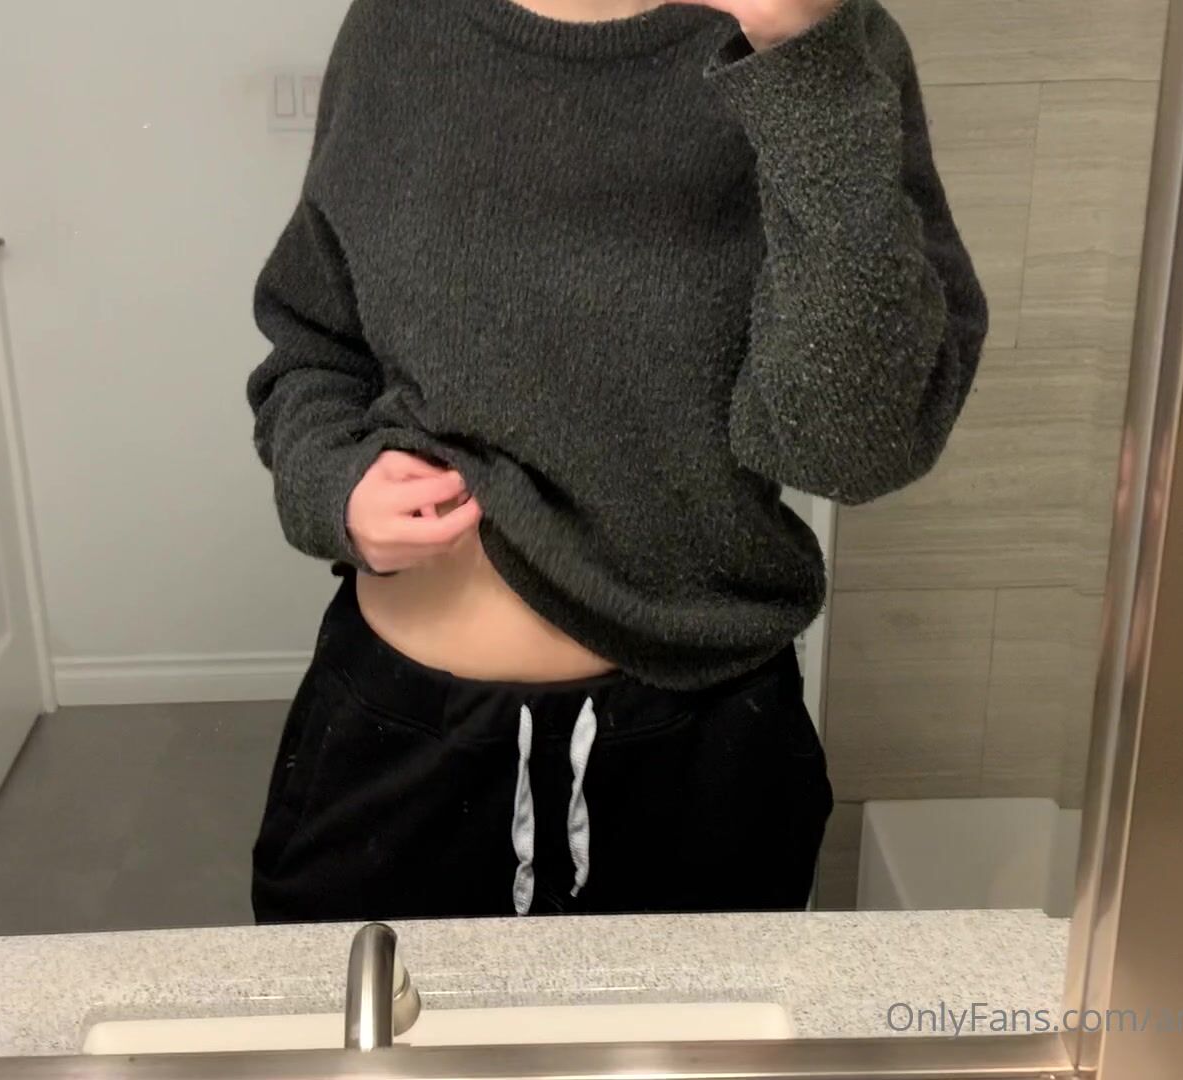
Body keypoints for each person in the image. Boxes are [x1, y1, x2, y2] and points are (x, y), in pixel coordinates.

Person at [245, 0, 986, 923]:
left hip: (704, 756)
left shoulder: (829, 40)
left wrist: (806, 67)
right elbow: (313, 347)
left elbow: (852, 451)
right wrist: (333, 483)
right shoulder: (399, 26)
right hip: (396, 751)